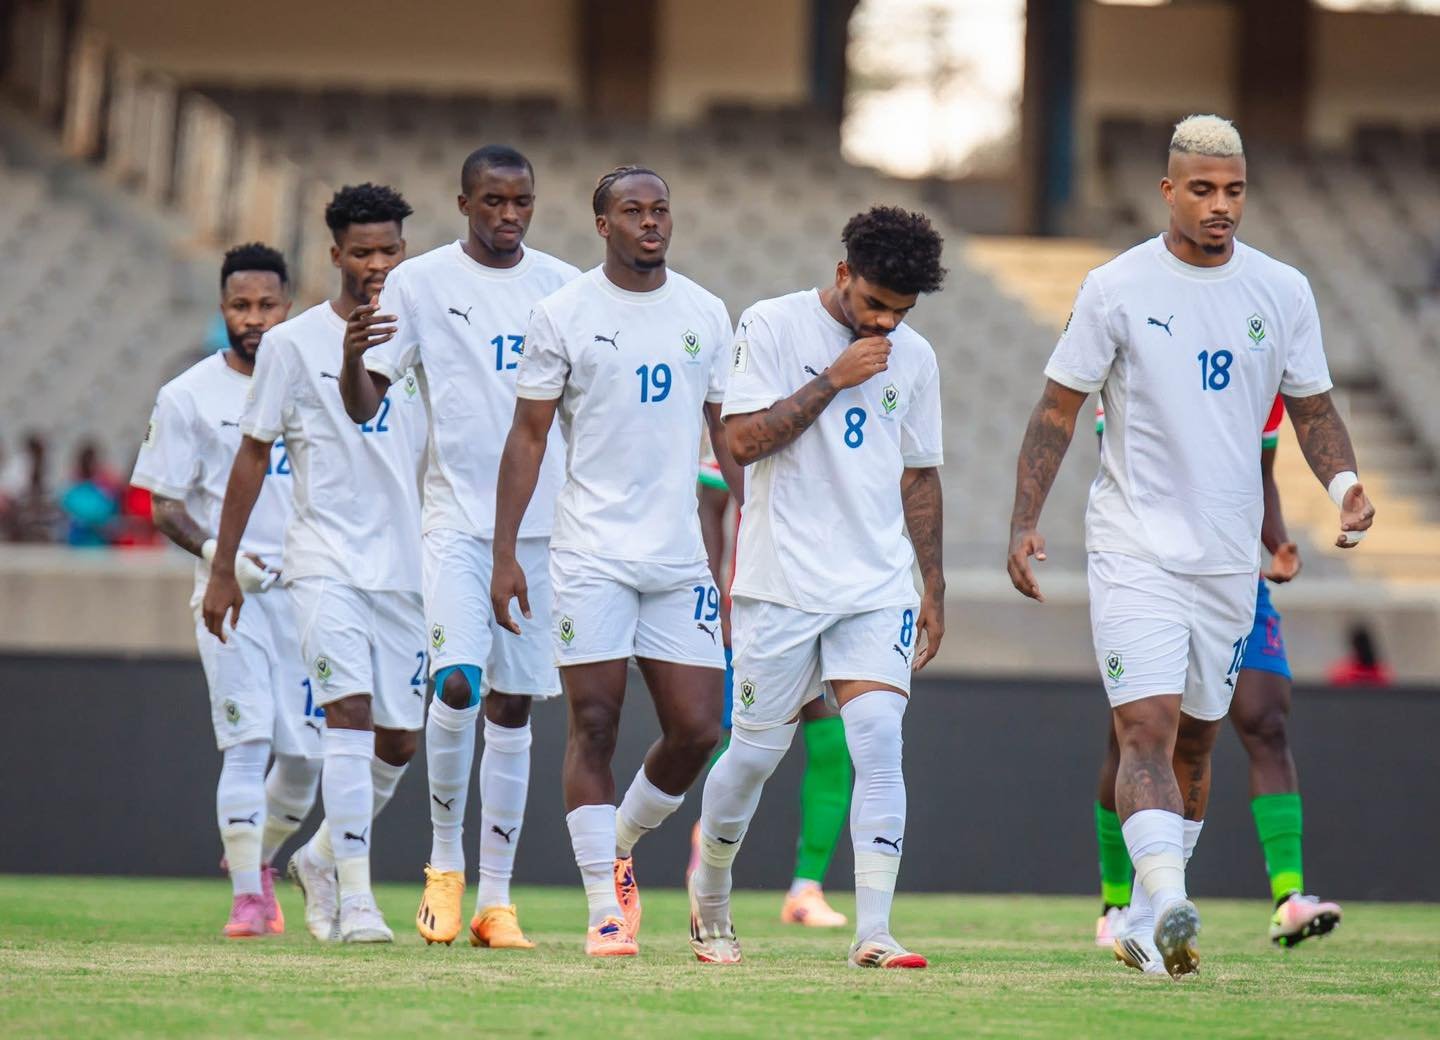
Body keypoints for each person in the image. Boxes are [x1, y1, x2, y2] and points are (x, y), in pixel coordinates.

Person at [1007, 114, 1374, 979]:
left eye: (1234, 190)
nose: (1220, 206)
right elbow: (1057, 409)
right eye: (1202, 189)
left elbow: (1313, 408)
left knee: (1199, 745)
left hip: (1227, 559)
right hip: (1133, 546)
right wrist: (1025, 519)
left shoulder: (1282, 290)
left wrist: (1347, 487)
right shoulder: (1115, 287)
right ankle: (1167, 899)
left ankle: (1144, 917)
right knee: (1146, 728)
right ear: (1167, 190)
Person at [689, 206, 947, 968]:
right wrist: (833, 379)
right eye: (875, 304)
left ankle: (874, 931)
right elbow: (739, 441)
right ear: (843, 274)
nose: (887, 324)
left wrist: (931, 582)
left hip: (875, 586)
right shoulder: (770, 326)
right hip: (780, 586)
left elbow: (920, 472)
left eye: (901, 312)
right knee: (752, 760)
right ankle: (711, 897)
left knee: (879, 742)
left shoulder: (916, 357)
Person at [491, 166, 740, 957]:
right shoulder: (561, 314)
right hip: (591, 554)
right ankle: (603, 906)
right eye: (632, 211)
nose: (650, 222)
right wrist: (505, 553)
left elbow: (729, 437)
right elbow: (528, 438)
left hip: (677, 561)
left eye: (660, 209)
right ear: (602, 224)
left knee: (700, 728)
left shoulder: (705, 311)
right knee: (593, 722)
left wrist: (761, 527)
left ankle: (622, 842)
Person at [339, 145, 580, 949]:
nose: (508, 215)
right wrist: (351, 362)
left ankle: (497, 901)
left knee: (514, 705)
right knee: (455, 687)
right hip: (455, 523)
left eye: (522, 202)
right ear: (464, 203)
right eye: (492, 201)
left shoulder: (563, 288)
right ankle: (444, 868)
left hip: (547, 530)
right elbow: (367, 402)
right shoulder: (420, 283)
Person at [203, 184, 428, 944]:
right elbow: (252, 453)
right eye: (360, 250)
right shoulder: (294, 344)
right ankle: (360, 898)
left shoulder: (424, 330)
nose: (375, 263)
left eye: (388, 249)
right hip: (324, 560)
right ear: (334, 254)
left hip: (409, 566)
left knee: (400, 739)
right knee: (350, 716)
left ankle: (323, 858)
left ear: (405, 250)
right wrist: (222, 567)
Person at [1091, 397, 1342, 962]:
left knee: (1262, 721)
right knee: (1138, 736)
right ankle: (1118, 904)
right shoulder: (1148, 348)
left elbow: (1259, 475)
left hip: (1231, 576)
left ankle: (1285, 897)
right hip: (1152, 570)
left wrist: (1275, 540)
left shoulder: (1260, 369)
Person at [131, 242, 322, 937]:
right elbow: (165, 504)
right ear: (223, 310)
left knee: (306, 759)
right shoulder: (186, 395)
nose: (255, 318)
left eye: (267, 304)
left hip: (310, 593)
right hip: (229, 595)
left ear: (289, 306)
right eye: (241, 305)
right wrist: (221, 558)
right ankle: (249, 897)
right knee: (247, 744)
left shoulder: (316, 384)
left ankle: (257, 856)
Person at [688, 436, 853, 929]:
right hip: (759, 607)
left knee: (833, 740)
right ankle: (709, 845)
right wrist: (716, 593)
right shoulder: (752, 400)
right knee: (750, 744)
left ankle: (806, 888)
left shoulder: (851, 402)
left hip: (832, 602)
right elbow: (711, 501)